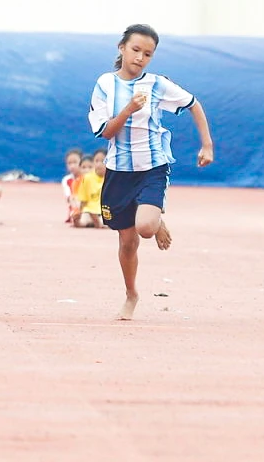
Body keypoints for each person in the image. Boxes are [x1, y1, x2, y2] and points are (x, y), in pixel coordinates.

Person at [89, 23, 214, 321]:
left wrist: (206, 145)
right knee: (127, 242)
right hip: (119, 170)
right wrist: (129, 110)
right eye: (135, 50)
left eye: (148, 54)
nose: (140, 58)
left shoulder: (157, 84)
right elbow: (106, 133)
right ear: (122, 48)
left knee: (144, 228)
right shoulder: (105, 84)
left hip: (152, 166)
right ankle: (131, 293)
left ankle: (153, 221)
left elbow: (194, 104)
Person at [73, 151, 106, 228]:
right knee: (84, 221)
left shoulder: (111, 179)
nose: (99, 164)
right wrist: (79, 212)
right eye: (96, 161)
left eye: (102, 161)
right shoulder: (87, 178)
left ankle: (98, 222)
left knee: (110, 223)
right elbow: (83, 199)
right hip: (89, 211)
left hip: (105, 211)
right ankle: (77, 221)